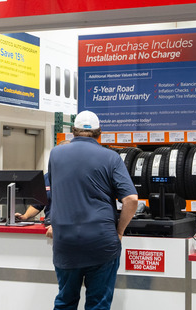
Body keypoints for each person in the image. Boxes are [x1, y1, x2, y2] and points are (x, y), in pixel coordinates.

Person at [47, 111, 138, 310]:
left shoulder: (55, 154)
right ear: (99, 133)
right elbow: (131, 199)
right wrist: (120, 231)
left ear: (73, 132)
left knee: (65, 301)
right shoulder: (111, 157)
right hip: (101, 241)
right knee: (98, 304)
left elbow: (55, 192)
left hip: (66, 241)